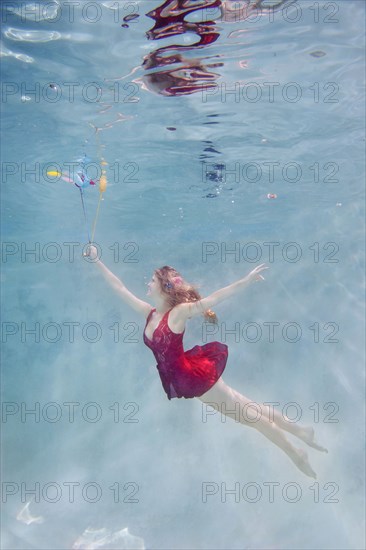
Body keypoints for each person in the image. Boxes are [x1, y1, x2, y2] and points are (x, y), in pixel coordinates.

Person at [86, 245, 327, 478]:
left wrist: (245, 281)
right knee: (249, 409)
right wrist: (97, 260)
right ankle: (301, 431)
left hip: (196, 379)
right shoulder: (150, 313)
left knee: (251, 418)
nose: (147, 284)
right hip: (188, 379)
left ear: (163, 287)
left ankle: (297, 453)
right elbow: (119, 288)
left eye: (152, 280)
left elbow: (211, 300)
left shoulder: (176, 314)